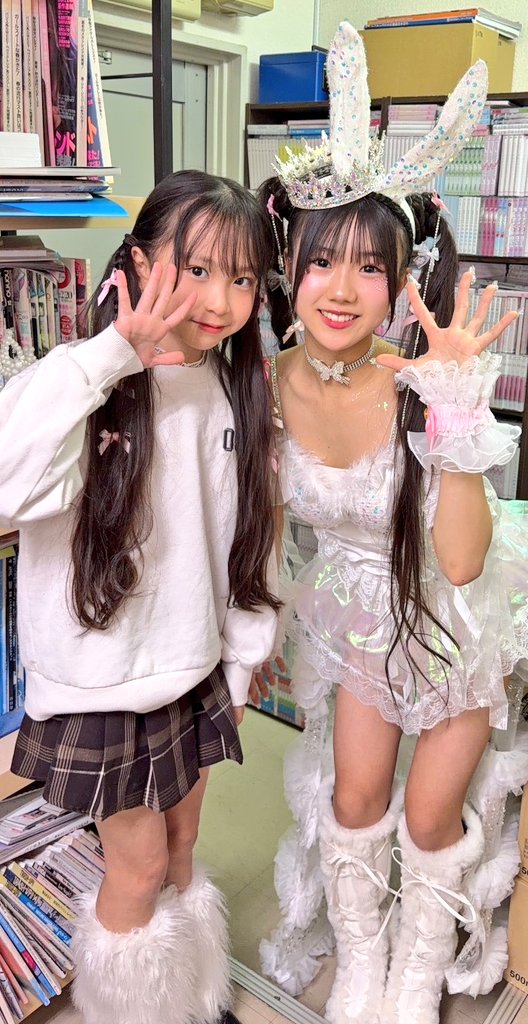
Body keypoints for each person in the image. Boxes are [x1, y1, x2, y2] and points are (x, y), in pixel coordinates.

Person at [256, 23, 528, 1024]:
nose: (341, 289)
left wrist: (454, 410)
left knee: (426, 812)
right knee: (355, 800)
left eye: (370, 268)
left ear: (401, 281)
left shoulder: (420, 380)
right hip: (352, 617)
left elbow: (458, 559)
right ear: (287, 265)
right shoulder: (265, 383)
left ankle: (416, 971)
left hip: (451, 615)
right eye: (322, 261)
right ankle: (362, 959)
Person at [0, 170, 280, 1024]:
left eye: (242, 278)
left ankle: (191, 998)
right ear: (139, 261)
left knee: (184, 846)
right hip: (100, 688)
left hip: (195, 669)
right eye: (197, 270)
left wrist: (244, 659)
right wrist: (111, 354)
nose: (220, 300)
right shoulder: (86, 382)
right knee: (140, 867)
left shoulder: (234, 387)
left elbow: (248, 540)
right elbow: (7, 485)